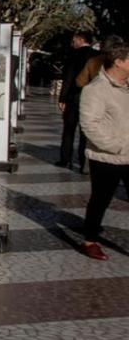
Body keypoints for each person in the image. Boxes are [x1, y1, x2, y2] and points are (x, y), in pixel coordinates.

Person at [76, 35, 129, 261]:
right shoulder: (95, 89)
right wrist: (117, 146)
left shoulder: (126, 87)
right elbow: (89, 125)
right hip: (107, 157)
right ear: (118, 61)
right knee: (101, 199)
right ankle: (90, 240)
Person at [58, 32, 98, 170]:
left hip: (74, 97)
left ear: (81, 40)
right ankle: (83, 163)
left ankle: (65, 159)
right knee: (85, 132)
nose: (72, 44)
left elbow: (68, 77)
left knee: (69, 130)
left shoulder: (73, 55)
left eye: (74, 41)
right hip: (92, 98)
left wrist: (62, 97)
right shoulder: (97, 56)